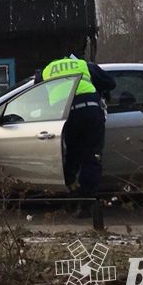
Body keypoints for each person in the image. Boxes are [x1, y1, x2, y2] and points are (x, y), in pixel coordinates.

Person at [36, 53, 116, 216]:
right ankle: (86, 204)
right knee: (91, 158)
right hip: (90, 112)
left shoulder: (46, 70)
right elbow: (110, 83)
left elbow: (36, 94)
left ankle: (70, 193)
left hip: (66, 117)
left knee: (71, 155)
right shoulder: (83, 65)